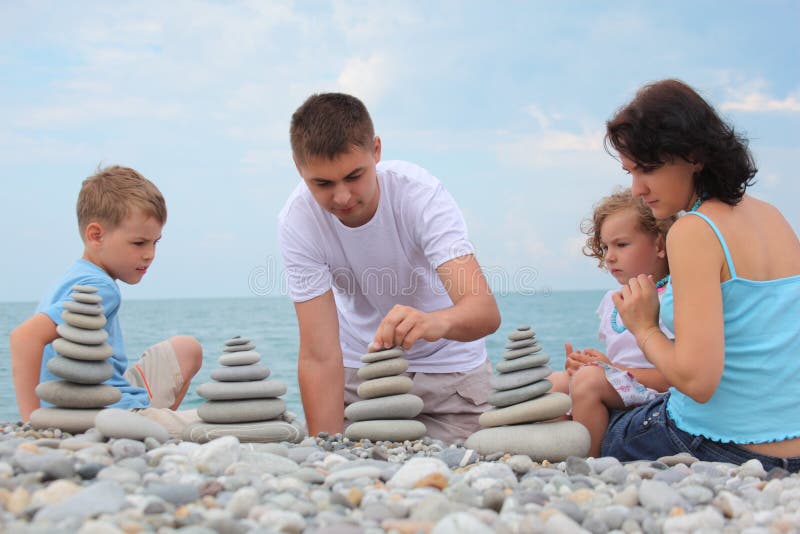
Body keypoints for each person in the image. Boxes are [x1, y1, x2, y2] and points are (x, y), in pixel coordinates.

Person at [278, 92, 500, 443]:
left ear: (376, 150)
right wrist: (326, 455)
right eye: (322, 183)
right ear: (297, 166)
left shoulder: (419, 195)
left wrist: (433, 322)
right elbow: (319, 354)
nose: (342, 197)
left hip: (450, 373)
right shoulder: (298, 219)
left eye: (354, 176)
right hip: (362, 375)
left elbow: (484, 312)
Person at [602, 79, 800, 469]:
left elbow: (697, 382)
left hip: (727, 446)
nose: (637, 189)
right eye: (630, 172)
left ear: (693, 155)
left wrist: (644, 327)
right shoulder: (773, 217)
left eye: (648, 169)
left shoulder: (694, 230)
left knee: (599, 421)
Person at [10, 166, 202, 437]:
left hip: (103, 398)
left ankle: (152, 428)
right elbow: (23, 338)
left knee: (186, 348)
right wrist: (32, 422)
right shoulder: (100, 287)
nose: (150, 255)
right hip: (101, 413)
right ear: (96, 235)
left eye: (155, 243)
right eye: (138, 243)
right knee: (221, 422)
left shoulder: (73, 277)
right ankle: (150, 428)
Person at [549, 188, 673, 457]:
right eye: (605, 247)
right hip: (624, 390)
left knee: (589, 381)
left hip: (659, 400)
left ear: (660, 245)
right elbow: (616, 360)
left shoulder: (672, 298)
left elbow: (675, 377)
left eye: (621, 245)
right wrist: (586, 364)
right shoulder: (611, 300)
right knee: (555, 383)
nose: (609, 256)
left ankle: (588, 461)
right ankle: (558, 456)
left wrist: (610, 370)